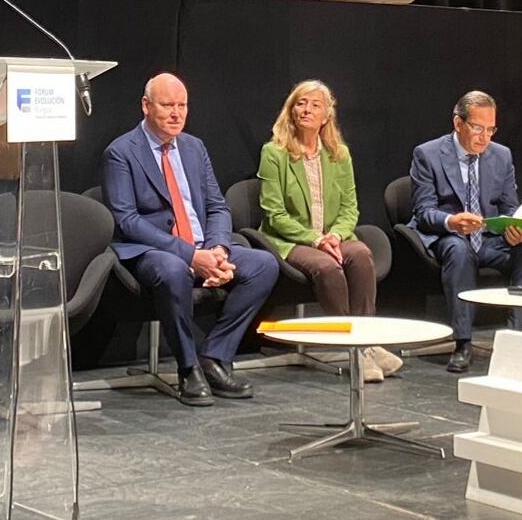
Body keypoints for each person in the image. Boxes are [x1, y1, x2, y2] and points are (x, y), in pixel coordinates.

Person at [102, 73, 279, 407]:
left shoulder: (194, 147)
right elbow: (127, 220)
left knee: (263, 265)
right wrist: (190, 256)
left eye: (182, 105)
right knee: (173, 270)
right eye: (168, 105)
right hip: (153, 249)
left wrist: (218, 249)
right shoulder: (121, 152)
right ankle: (188, 369)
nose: (176, 113)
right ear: (146, 106)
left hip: (203, 246)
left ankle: (215, 356)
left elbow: (216, 206)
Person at [255, 80, 402, 382]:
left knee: (360, 253)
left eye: (314, 104)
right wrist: (317, 239)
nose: (306, 109)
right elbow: (274, 214)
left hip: (332, 236)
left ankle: (366, 341)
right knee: (327, 266)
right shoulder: (274, 153)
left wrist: (334, 235)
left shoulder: (339, 154)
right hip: (290, 239)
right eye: (300, 103)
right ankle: (357, 350)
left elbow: (350, 208)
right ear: (291, 110)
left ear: (326, 116)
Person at [409, 90, 522, 373]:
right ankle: (463, 342)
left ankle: (518, 340)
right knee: (459, 251)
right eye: (478, 128)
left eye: (491, 129)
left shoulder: (501, 156)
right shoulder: (428, 154)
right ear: (458, 123)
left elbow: (510, 206)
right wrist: (452, 221)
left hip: (489, 238)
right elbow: (424, 212)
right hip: (450, 236)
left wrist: (515, 228)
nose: (485, 137)